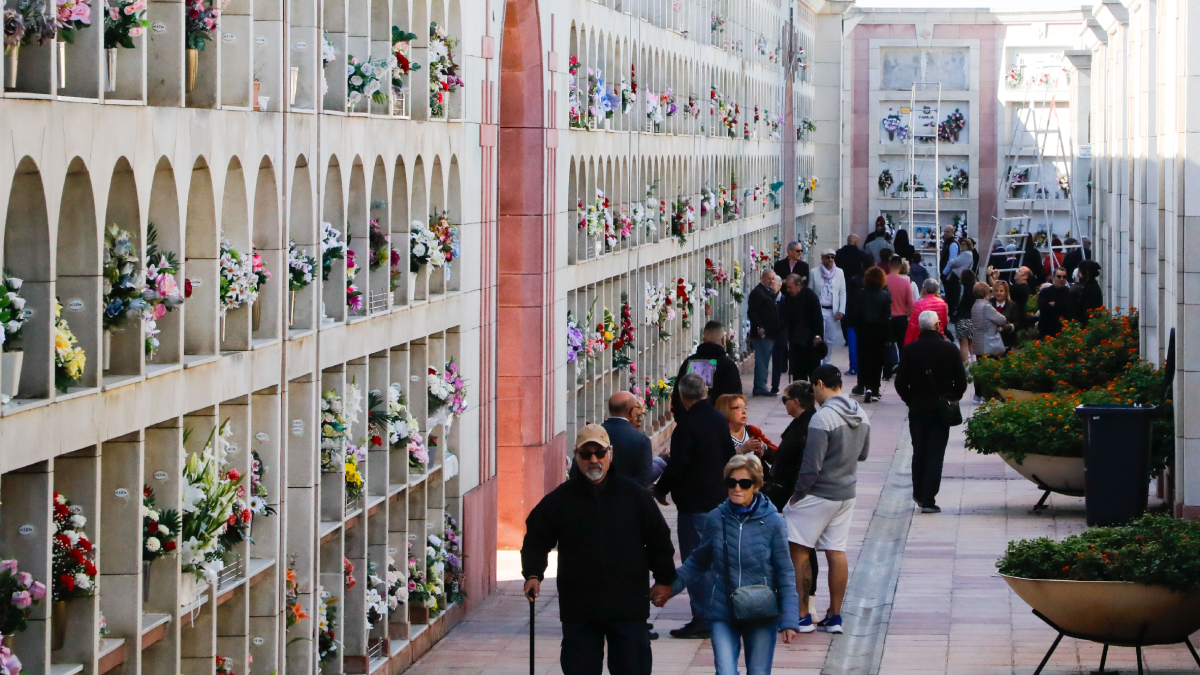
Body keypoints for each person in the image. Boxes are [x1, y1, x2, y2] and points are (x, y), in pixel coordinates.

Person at [521, 424, 677, 675]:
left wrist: (664, 580)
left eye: (599, 453)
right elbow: (537, 537)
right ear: (576, 457)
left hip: (627, 603)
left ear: (610, 454)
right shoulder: (561, 499)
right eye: (585, 454)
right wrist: (533, 573)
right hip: (580, 606)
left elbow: (659, 539)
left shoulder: (634, 495)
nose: (593, 459)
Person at [653, 454, 801, 675]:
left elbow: (785, 572)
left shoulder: (774, 522)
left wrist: (790, 619)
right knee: (725, 671)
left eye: (744, 483)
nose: (737, 488)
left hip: (761, 611)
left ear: (757, 486)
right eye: (731, 483)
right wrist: (668, 587)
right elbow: (697, 562)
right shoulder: (716, 518)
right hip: (723, 609)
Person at [785, 365, 870, 634]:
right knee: (836, 550)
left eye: (813, 387)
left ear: (820, 384)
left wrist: (797, 496)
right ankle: (834, 616)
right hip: (847, 492)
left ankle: (802, 616)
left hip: (819, 493)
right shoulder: (861, 413)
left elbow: (811, 466)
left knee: (799, 549)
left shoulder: (822, 419)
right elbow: (864, 454)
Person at [654, 373, 737, 639]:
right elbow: (730, 457)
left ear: (682, 396)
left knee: (698, 561)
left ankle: (704, 617)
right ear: (705, 392)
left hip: (695, 504)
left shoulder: (686, 426)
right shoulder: (717, 420)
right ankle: (718, 613)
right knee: (715, 560)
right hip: (719, 501)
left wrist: (660, 488)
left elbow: (677, 465)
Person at [894, 311, 967, 513]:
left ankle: (918, 492)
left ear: (919, 327)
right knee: (936, 452)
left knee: (919, 450)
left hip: (917, 408)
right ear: (938, 326)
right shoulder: (950, 350)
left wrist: (910, 399)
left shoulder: (909, 350)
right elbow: (961, 382)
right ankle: (928, 499)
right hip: (941, 409)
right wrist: (952, 398)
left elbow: (900, 383)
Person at [670, 320, 743, 416]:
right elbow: (736, 399)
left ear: (703, 340)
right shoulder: (728, 366)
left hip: (689, 423)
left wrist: (681, 419)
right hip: (719, 424)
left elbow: (677, 396)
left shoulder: (688, 363)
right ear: (723, 340)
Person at [601, 391, 655, 489]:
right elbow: (645, 478)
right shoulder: (641, 439)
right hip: (629, 499)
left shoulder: (596, 433)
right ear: (633, 411)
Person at [854, 267, 891, 403]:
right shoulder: (885, 295)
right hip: (879, 331)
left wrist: (857, 328)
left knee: (863, 359)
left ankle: (865, 385)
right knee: (877, 360)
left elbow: (855, 314)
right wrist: (889, 335)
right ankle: (875, 389)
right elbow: (887, 316)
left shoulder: (859, 294)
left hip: (863, 330)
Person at [969, 282, 1009, 403]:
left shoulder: (974, 306)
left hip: (978, 342)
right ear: (986, 293)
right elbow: (1002, 319)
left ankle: (978, 395)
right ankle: (989, 395)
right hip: (989, 342)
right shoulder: (987, 306)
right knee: (991, 369)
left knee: (980, 368)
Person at [779, 274, 825, 381]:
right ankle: (799, 393)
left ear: (798, 285)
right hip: (796, 340)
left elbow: (817, 318)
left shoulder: (810, 296)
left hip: (810, 339)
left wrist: (818, 335)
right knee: (798, 371)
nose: (788, 290)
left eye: (790, 287)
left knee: (812, 369)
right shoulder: (790, 298)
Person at [716, 394, 776, 463]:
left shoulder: (752, 431)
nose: (744, 412)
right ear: (726, 410)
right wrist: (741, 450)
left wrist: (765, 448)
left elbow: (777, 455)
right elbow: (717, 460)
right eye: (739, 408)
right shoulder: (718, 434)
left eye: (745, 408)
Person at [747, 270, 780, 396]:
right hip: (763, 334)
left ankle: (762, 384)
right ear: (762, 278)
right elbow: (752, 312)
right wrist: (759, 326)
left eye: (773, 279)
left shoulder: (768, 292)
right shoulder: (757, 292)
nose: (771, 281)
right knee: (762, 360)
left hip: (771, 333)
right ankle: (760, 386)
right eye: (769, 279)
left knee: (765, 360)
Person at [815, 249, 846, 366]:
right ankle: (818, 361)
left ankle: (826, 362)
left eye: (832, 257)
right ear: (822, 258)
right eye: (827, 257)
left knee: (829, 339)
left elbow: (842, 292)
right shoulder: (814, 272)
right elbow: (811, 293)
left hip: (832, 311)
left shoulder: (839, 272)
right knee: (818, 337)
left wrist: (841, 310)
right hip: (819, 310)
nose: (830, 260)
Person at [884, 257, 914, 376]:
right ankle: (904, 371)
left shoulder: (884, 280)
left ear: (889, 265)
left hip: (887, 318)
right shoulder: (906, 282)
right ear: (901, 267)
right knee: (903, 346)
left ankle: (887, 372)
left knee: (887, 345)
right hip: (901, 318)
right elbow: (910, 302)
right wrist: (910, 315)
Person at [904, 278, 949, 345]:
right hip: (938, 337)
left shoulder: (918, 304)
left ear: (925, 289)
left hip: (921, 338)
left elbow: (912, 326)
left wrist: (906, 344)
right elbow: (944, 323)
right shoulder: (942, 303)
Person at [1037, 266, 1072, 338]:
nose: (1061, 279)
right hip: (1046, 329)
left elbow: (1069, 308)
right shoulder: (1045, 292)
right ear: (1054, 277)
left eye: (1064, 277)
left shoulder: (1069, 292)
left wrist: (1055, 304)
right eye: (1059, 276)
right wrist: (1060, 306)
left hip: (1063, 330)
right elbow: (1042, 307)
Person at [770, 274, 789, 394]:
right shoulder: (767, 298)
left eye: (774, 285)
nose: (772, 287)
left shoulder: (784, 301)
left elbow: (786, 318)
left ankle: (775, 385)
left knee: (777, 360)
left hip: (780, 335)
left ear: (780, 285)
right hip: (769, 334)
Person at [953, 269, 977, 361]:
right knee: (971, 344)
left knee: (963, 344)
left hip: (961, 318)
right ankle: (974, 363)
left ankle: (966, 365)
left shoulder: (960, 288)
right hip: (973, 319)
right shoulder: (975, 289)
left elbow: (954, 302)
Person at [991, 280, 1022, 350]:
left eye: (1001, 291)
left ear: (1006, 292)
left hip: (1007, 340)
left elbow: (1018, 323)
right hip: (991, 340)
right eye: (996, 291)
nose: (998, 293)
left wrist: (1009, 326)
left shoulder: (1012, 305)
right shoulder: (989, 304)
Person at [1075, 260, 1103, 324]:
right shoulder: (1091, 285)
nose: (1078, 274)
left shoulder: (1090, 288)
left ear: (1087, 272)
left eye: (1080, 271)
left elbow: (1088, 308)